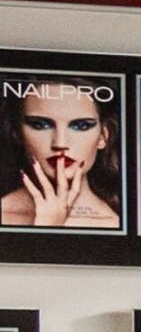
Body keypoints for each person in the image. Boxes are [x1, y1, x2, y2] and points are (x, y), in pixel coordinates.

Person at [2, 78, 119, 231]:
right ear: (17, 133)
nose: (60, 143)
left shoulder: (113, 224)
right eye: (41, 125)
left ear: (103, 136)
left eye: (81, 126)